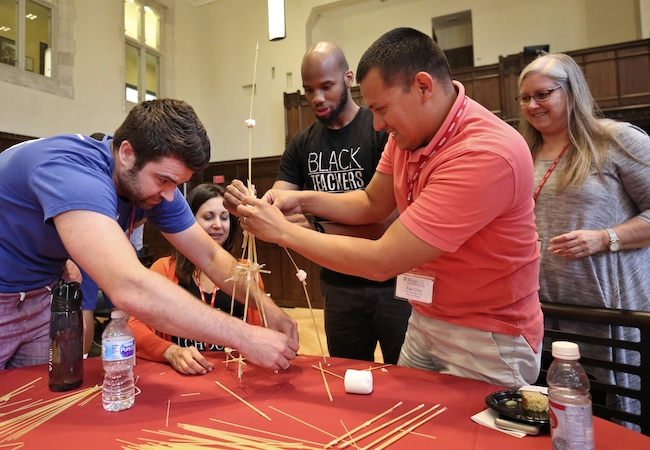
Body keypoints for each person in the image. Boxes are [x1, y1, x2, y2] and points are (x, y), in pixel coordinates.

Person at [226, 27, 543, 389]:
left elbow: (383, 260)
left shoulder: (485, 153)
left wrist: (284, 231)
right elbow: (371, 202)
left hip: (486, 333)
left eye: (381, 109)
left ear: (423, 87)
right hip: (427, 315)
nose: (376, 124)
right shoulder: (408, 133)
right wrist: (302, 199)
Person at [0, 98, 298, 371]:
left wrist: (267, 309)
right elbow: (130, 288)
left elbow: (209, 255)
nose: (170, 196)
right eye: (164, 180)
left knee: (36, 402)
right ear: (127, 153)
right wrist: (244, 336)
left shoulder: (148, 184)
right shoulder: (74, 173)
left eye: (177, 184)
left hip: (41, 297)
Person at [518, 53, 650, 426]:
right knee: (556, 417)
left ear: (572, 92)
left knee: (616, 417)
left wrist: (605, 237)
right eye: (524, 98)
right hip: (544, 312)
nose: (532, 105)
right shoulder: (522, 153)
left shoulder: (615, 140)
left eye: (543, 94)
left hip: (609, 312)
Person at [270, 41, 411, 364]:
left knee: (407, 379)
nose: (317, 98)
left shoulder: (381, 132)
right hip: (337, 283)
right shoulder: (301, 145)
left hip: (393, 285)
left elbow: (392, 222)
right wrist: (259, 207)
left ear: (348, 78)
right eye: (308, 90)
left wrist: (317, 227)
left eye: (326, 87)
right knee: (347, 375)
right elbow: (280, 204)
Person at [129, 183, 263, 375]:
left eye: (224, 218)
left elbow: (259, 330)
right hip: (182, 374)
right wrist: (170, 351)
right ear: (189, 221)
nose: (218, 224)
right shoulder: (165, 268)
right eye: (209, 217)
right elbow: (135, 327)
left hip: (236, 375)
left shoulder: (246, 271)